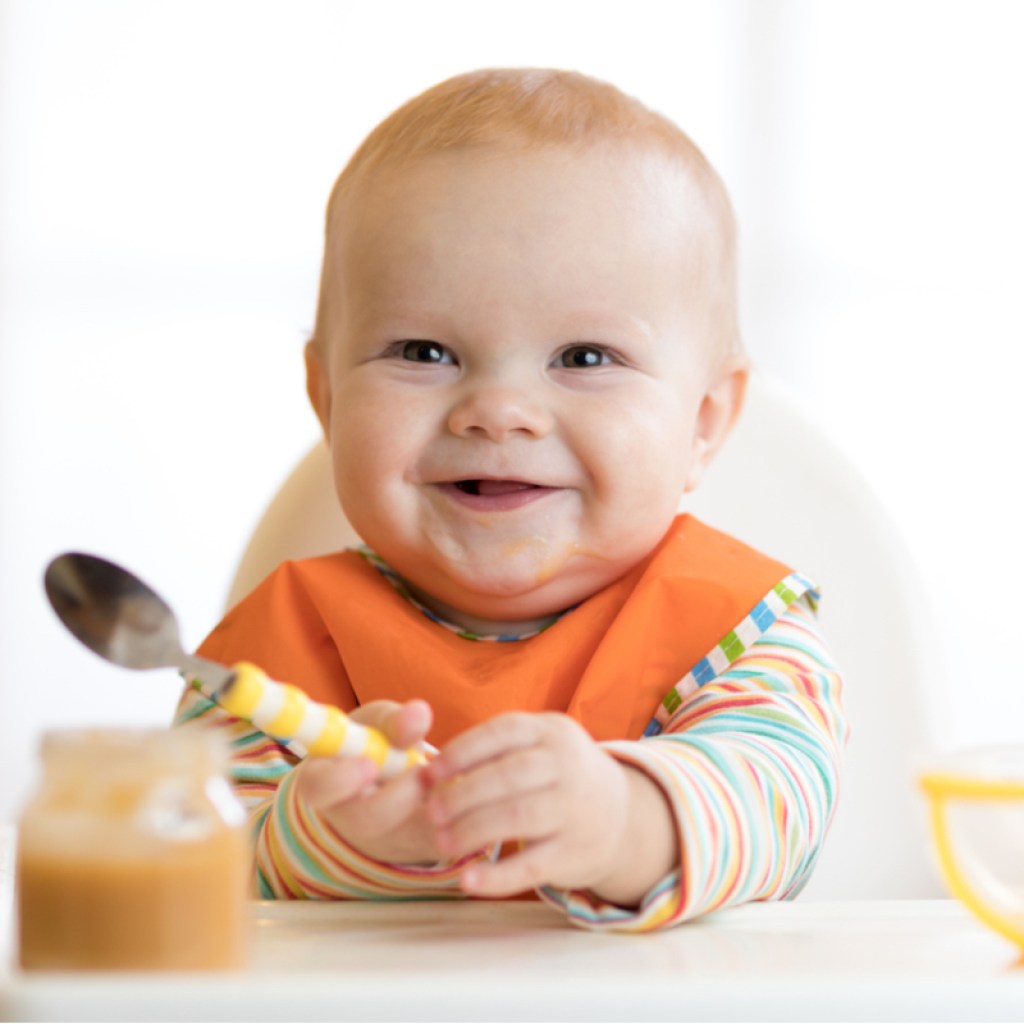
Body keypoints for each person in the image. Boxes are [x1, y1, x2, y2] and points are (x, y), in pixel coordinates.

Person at [175, 68, 847, 932]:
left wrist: (620, 819)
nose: (498, 411)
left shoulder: (740, 629)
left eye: (586, 358)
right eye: (423, 350)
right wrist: (321, 837)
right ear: (327, 399)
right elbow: (189, 871)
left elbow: (778, 801)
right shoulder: (271, 655)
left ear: (704, 423)